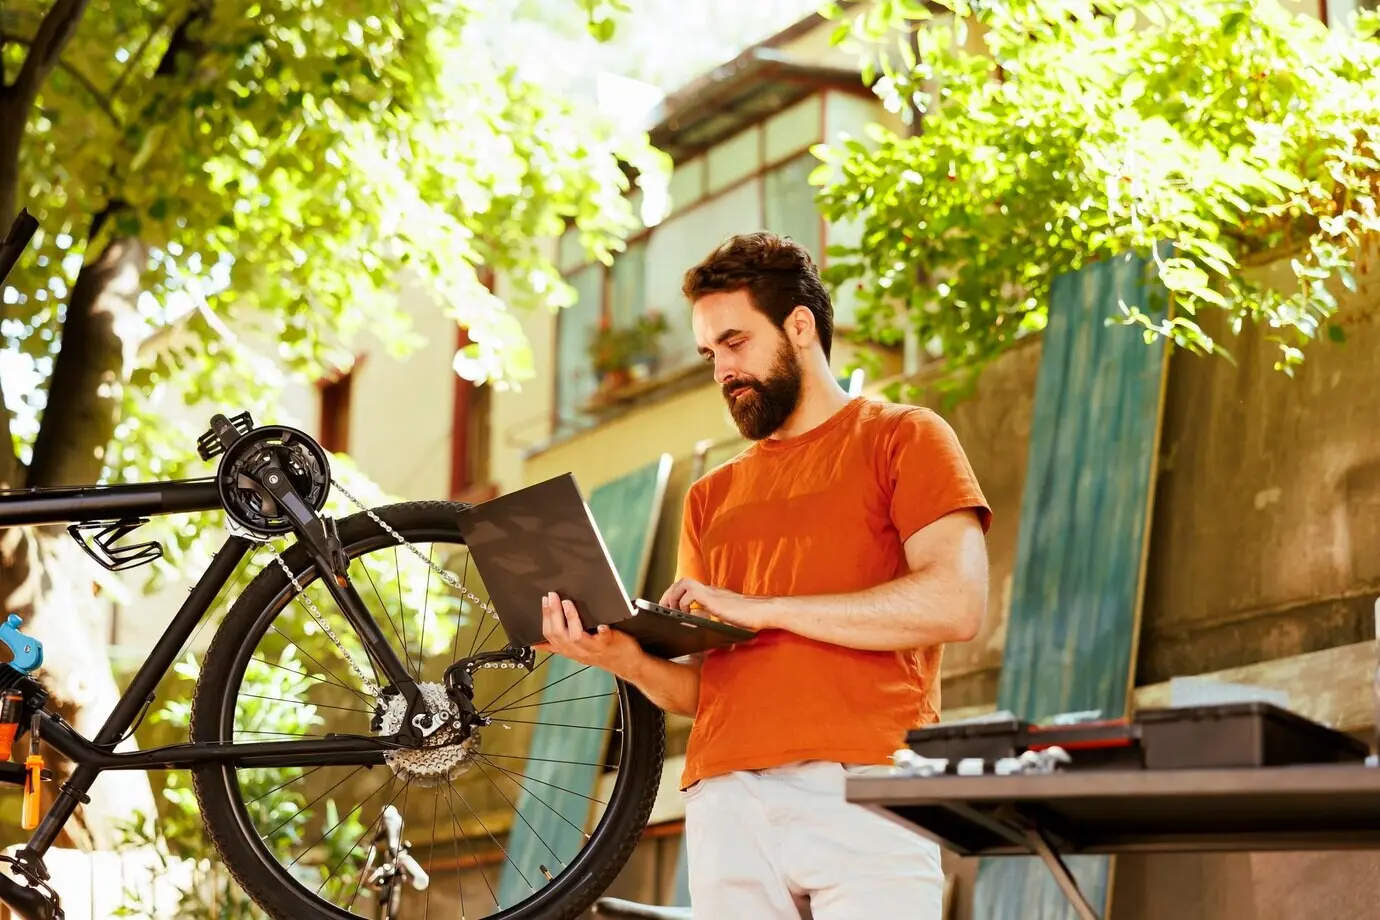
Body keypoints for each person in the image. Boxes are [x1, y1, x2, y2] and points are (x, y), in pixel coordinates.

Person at [535, 231, 992, 919]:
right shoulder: (709, 497)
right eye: (710, 353)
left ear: (799, 327)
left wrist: (766, 608)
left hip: (863, 787)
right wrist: (622, 657)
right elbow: (708, 690)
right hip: (727, 802)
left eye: (736, 341)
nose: (723, 369)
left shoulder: (904, 436)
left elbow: (955, 604)